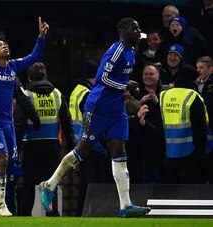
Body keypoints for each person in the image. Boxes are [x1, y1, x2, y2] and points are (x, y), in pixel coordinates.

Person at [39, 18, 151, 218]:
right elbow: (102, 78)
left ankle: (125, 205)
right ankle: (49, 185)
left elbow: (117, 80)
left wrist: (127, 89)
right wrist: (125, 86)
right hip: (98, 107)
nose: (139, 31)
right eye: (135, 28)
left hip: (116, 110)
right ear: (124, 31)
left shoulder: (132, 52)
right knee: (82, 150)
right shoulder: (116, 50)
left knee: (119, 151)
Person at [0, 14, 49, 217]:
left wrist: (41, 37)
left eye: (5, 44)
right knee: (2, 160)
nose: (4, 46)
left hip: (7, 121)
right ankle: (1, 205)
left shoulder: (13, 66)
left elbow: (34, 57)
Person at [18, 62, 75, 217]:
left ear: (30, 77)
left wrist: (16, 147)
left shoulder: (26, 95)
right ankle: (52, 212)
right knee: (52, 182)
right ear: (45, 76)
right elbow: (67, 122)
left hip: (31, 144)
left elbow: (20, 123)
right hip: (52, 145)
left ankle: (24, 215)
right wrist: (72, 147)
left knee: (29, 183)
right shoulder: (56, 93)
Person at [69, 60, 113, 216]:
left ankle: (82, 214)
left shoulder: (77, 91)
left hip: (81, 146)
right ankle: (95, 214)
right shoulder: (87, 94)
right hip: (92, 147)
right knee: (95, 184)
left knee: (85, 185)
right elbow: (93, 122)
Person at [160, 64, 207, 183]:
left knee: (170, 191)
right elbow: (199, 127)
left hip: (168, 149)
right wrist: (201, 152)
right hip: (189, 151)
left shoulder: (164, 95)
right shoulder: (193, 96)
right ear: (192, 79)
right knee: (188, 193)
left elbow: (160, 122)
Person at [135, 63, 166, 183]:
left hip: (160, 147)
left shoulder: (164, 94)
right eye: (145, 74)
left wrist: (158, 104)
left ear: (158, 76)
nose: (148, 76)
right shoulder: (136, 95)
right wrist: (139, 102)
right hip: (140, 149)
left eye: (151, 74)